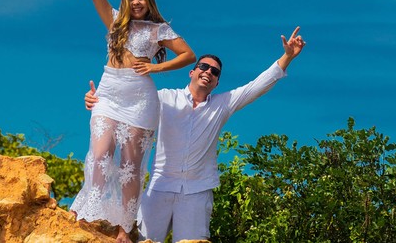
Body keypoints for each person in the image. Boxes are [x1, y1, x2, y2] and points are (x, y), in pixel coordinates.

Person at [85, 27, 306, 242]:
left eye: (215, 72)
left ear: (217, 82)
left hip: (197, 193)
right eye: (204, 67)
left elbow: (257, 86)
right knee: (144, 241)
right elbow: (129, 100)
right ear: (192, 72)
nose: (208, 72)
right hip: (160, 187)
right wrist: (98, 99)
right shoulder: (164, 98)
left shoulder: (223, 104)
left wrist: (287, 57)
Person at [61, 0, 196, 243]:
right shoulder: (114, 21)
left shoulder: (158, 29)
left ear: (148, 0)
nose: (136, 2)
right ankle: (86, 213)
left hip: (139, 99)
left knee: (130, 168)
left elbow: (189, 55)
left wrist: (155, 67)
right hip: (108, 93)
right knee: (99, 156)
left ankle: (124, 228)